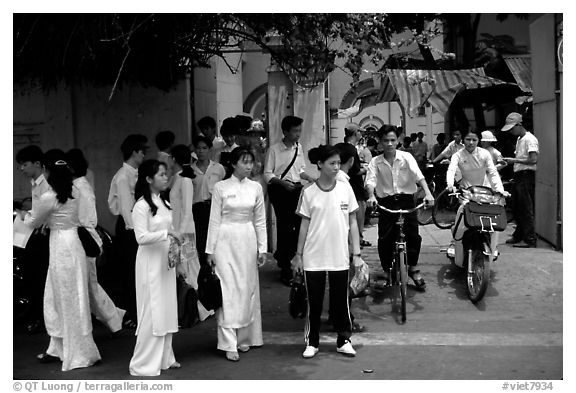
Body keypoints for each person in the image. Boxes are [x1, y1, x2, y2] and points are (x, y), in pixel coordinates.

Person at [19, 149, 101, 371]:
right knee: (75, 296)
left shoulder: (48, 196)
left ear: (46, 171)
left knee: (61, 298)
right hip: (74, 243)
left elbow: (33, 222)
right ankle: (72, 347)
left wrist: (21, 214)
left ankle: (69, 350)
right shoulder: (76, 190)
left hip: (59, 246)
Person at [291, 144, 363, 359]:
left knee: (341, 300)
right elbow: (304, 225)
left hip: (339, 254)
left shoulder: (345, 189)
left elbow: (353, 221)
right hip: (313, 256)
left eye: (338, 163)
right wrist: (298, 254)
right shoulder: (309, 192)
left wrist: (357, 253)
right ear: (320, 165)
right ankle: (312, 342)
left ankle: (344, 340)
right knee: (314, 301)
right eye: (332, 163)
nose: (336, 167)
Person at [206, 147, 267, 362]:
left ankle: (244, 338)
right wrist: (210, 250)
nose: (249, 166)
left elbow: (260, 220)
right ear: (233, 163)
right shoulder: (220, 187)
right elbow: (214, 220)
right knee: (227, 291)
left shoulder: (256, 188)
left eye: (251, 162)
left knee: (247, 288)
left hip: (247, 239)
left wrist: (263, 248)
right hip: (225, 240)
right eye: (245, 162)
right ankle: (228, 342)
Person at [129, 160, 182, 376]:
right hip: (150, 263)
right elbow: (140, 237)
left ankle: (164, 357)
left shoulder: (163, 202)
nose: (165, 177)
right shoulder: (141, 206)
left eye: (165, 174)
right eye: (160, 174)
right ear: (149, 179)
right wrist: (167, 234)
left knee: (167, 308)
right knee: (153, 309)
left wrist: (177, 258)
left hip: (165, 262)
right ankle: (143, 363)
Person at [365, 125, 434, 291]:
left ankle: (412, 268)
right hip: (386, 203)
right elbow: (370, 181)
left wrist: (428, 193)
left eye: (393, 140)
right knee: (385, 238)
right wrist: (371, 196)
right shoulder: (375, 161)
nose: (389, 144)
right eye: (385, 140)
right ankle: (386, 271)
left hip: (406, 201)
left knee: (413, 235)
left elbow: (419, 176)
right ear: (380, 142)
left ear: (398, 141)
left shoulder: (406, 157)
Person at [66, 148, 126, 334]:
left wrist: (95, 244)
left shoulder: (80, 188)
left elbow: (87, 219)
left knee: (90, 285)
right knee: (90, 286)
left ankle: (114, 317)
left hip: (85, 239)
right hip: (84, 238)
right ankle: (114, 316)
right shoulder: (79, 185)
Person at [264, 115, 315, 286]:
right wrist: (282, 183)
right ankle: (285, 266)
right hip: (280, 190)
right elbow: (267, 174)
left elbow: (300, 169)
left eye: (299, 130)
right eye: (295, 131)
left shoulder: (298, 148)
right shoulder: (274, 150)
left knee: (298, 225)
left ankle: (293, 260)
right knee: (285, 226)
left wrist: (309, 177)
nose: (298, 134)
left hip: (296, 190)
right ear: (285, 131)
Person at [445, 131, 508, 265]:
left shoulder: (485, 154)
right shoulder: (458, 155)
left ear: (478, 141)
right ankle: (454, 242)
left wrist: (500, 190)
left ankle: (493, 245)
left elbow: (492, 172)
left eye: (474, 140)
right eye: (468, 139)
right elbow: (451, 169)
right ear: (464, 140)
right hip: (467, 191)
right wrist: (450, 185)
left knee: (492, 220)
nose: (471, 143)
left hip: (485, 191)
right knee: (461, 215)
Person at [108, 134, 149, 329]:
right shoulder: (123, 176)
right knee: (131, 270)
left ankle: (137, 310)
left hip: (136, 225)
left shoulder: (135, 173)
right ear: (134, 152)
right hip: (129, 227)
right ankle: (131, 312)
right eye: (143, 151)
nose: (144, 155)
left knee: (137, 270)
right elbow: (125, 206)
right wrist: (135, 231)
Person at [169, 144, 213, 321]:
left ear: (173, 159)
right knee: (186, 268)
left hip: (185, 233)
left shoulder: (184, 180)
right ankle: (195, 309)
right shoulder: (177, 178)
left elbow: (187, 210)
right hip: (179, 231)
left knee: (191, 268)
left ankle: (201, 308)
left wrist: (180, 232)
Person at [15, 145, 51, 334]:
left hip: (45, 234)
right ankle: (38, 315)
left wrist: (25, 216)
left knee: (41, 278)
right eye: (20, 165)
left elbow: (42, 213)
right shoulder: (35, 182)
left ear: (37, 163)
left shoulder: (46, 183)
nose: (22, 169)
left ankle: (43, 318)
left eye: (25, 164)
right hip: (37, 231)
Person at [501, 112, 539, 248]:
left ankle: (530, 238)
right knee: (517, 206)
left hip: (526, 175)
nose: (511, 131)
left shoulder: (530, 139)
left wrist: (514, 160)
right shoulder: (519, 139)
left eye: (512, 128)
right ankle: (519, 234)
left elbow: (533, 160)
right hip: (519, 175)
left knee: (525, 207)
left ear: (519, 125)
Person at [191, 136, 226, 266]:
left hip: (214, 207)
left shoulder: (219, 168)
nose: (201, 151)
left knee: (215, 239)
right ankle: (204, 271)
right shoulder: (190, 170)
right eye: (198, 148)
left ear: (209, 150)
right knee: (200, 241)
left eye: (204, 148)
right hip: (197, 209)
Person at [344, 123, 370, 248]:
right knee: (359, 209)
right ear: (355, 133)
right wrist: (366, 169)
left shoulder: (341, 147)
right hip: (355, 185)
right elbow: (355, 171)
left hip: (346, 184)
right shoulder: (352, 149)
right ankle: (358, 238)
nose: (361, 134)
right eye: (360, 132)